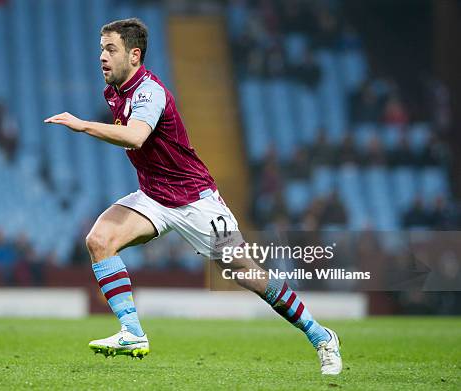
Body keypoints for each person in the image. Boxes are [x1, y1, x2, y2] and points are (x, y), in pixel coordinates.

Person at [44, 18, 342, 375]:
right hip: (154, 196)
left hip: (195, 200)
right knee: (99, 239)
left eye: (110, 49)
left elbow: (137, 136)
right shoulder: (113, 92)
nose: (102, 57)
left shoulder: (149, 91)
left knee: (247, 274)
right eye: (100, 49)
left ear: (134, 55)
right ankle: (133, 332)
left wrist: (83, 124)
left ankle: (321, 335)